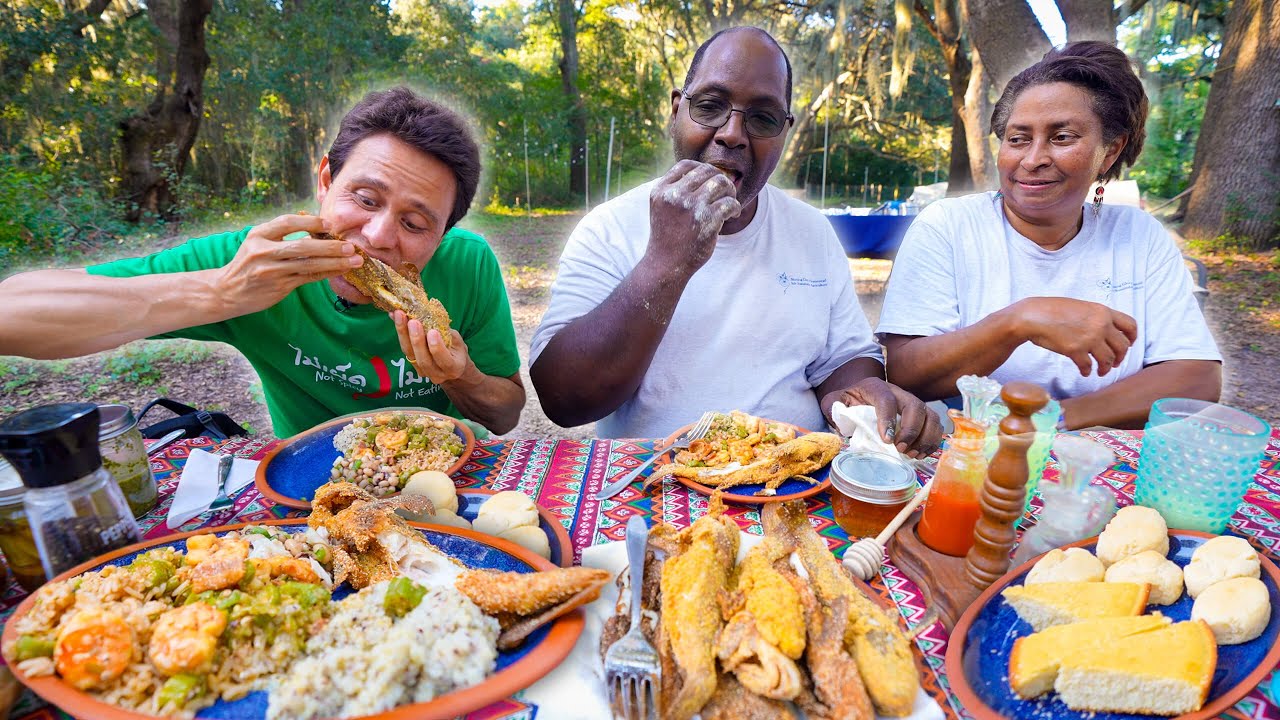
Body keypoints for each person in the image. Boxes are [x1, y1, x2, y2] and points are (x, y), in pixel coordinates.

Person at [0, 87, 525, 438]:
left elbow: (503, 414)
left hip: (449, 482)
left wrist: (461, 377)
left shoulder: (467, 266)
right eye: (364, 199)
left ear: (442, 236)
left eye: (415, 225)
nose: (378, 236)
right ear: (325, 181)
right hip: (311, 498)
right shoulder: (256, 262)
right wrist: (220, 293)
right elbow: (12, 313)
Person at [530, 27, 941, 455]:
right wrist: (666, 261)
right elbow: (566, 400)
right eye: (709, 106)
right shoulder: (610, 228)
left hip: (789, 476)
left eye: (762, 118)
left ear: (784, 132)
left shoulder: (811, 232)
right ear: (676, 111)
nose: (732, 134)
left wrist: (863, 394)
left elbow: (842, 361)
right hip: (656, 484)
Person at [876, 42, 1221, 429]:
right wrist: (1019, 321)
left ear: (1110, 151)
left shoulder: (1139, 237)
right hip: (968, 452)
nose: (1032, 158)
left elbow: (1197, 377)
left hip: (1095, 464)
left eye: (1061, 137)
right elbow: (905, 372)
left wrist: (1049, 422)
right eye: (1018, 138)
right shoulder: (950, 225)